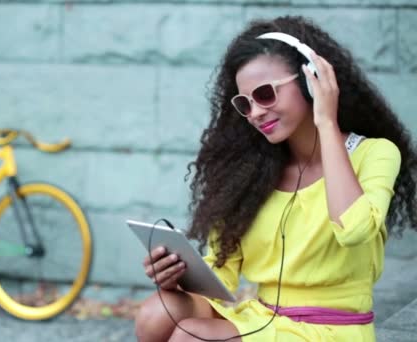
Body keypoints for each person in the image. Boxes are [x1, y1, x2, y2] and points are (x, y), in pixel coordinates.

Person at [134, 15, 417, 341]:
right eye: (245, 103)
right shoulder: (250, 172)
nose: (255, 112)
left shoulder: (376, 154)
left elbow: (353, 230)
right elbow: (223, 272)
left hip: (332, 328)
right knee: (156, 313)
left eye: (266, 94)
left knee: (192, 336)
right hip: (261, 317)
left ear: (311, 82)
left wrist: (327, 122)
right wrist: (178, 274)